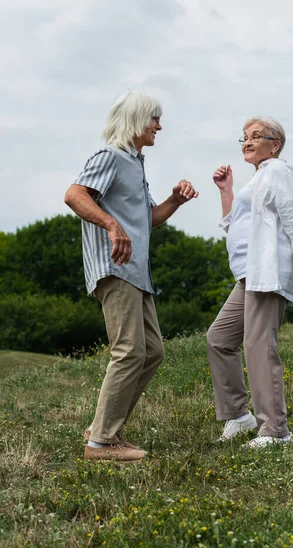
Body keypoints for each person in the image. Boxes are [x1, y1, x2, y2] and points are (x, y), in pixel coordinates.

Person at [65, 91, 198, 462]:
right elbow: (74, 195)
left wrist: (175, 200)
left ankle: (102, 428)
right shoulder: (109, 156)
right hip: (115, 267)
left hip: (137, 272)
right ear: (137, 121)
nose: (159, 125)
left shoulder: (135, 164)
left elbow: (149, 219)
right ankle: (102, 443)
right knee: (128, 351)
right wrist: (111, 225)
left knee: (152, 351)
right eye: (154, 118)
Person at [207, 116, 293, 448]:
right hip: (248, 277)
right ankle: (239, 416)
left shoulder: (279, 172)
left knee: (258, 347)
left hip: (266, 274)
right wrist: (226, 191)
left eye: (256, 136)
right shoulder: (256, 180)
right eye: (244, 137)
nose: (248, 142)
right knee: (219, 339)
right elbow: (234, 223)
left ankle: (275, 430)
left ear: (276, 144)